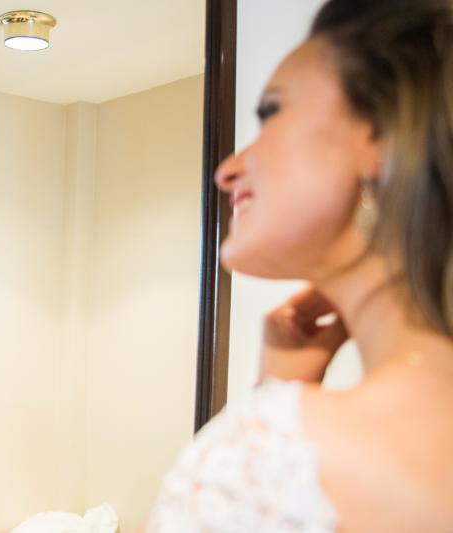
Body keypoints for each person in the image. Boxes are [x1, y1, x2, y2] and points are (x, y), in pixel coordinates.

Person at [146, 0, 453, 531]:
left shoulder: (261, 458)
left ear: (379, 131)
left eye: (273, 113)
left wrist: (269, 418)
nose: (227, 170)